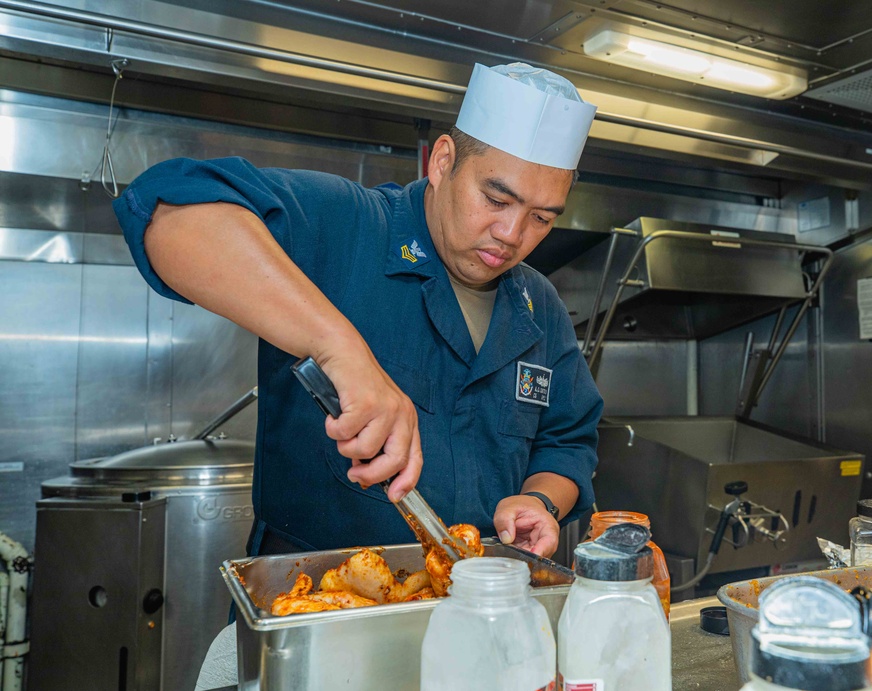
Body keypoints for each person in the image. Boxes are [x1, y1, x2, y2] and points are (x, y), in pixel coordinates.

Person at [114, 62, 603, 563]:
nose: (513, 234)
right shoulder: (349, 225)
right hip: (318, 598)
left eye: (541, 218)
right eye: (496, 199)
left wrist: (539, 501)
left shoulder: (538, 306)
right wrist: (338, 348)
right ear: (442, 162)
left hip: (477, 603)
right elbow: (168, 211)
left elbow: (567, 441)